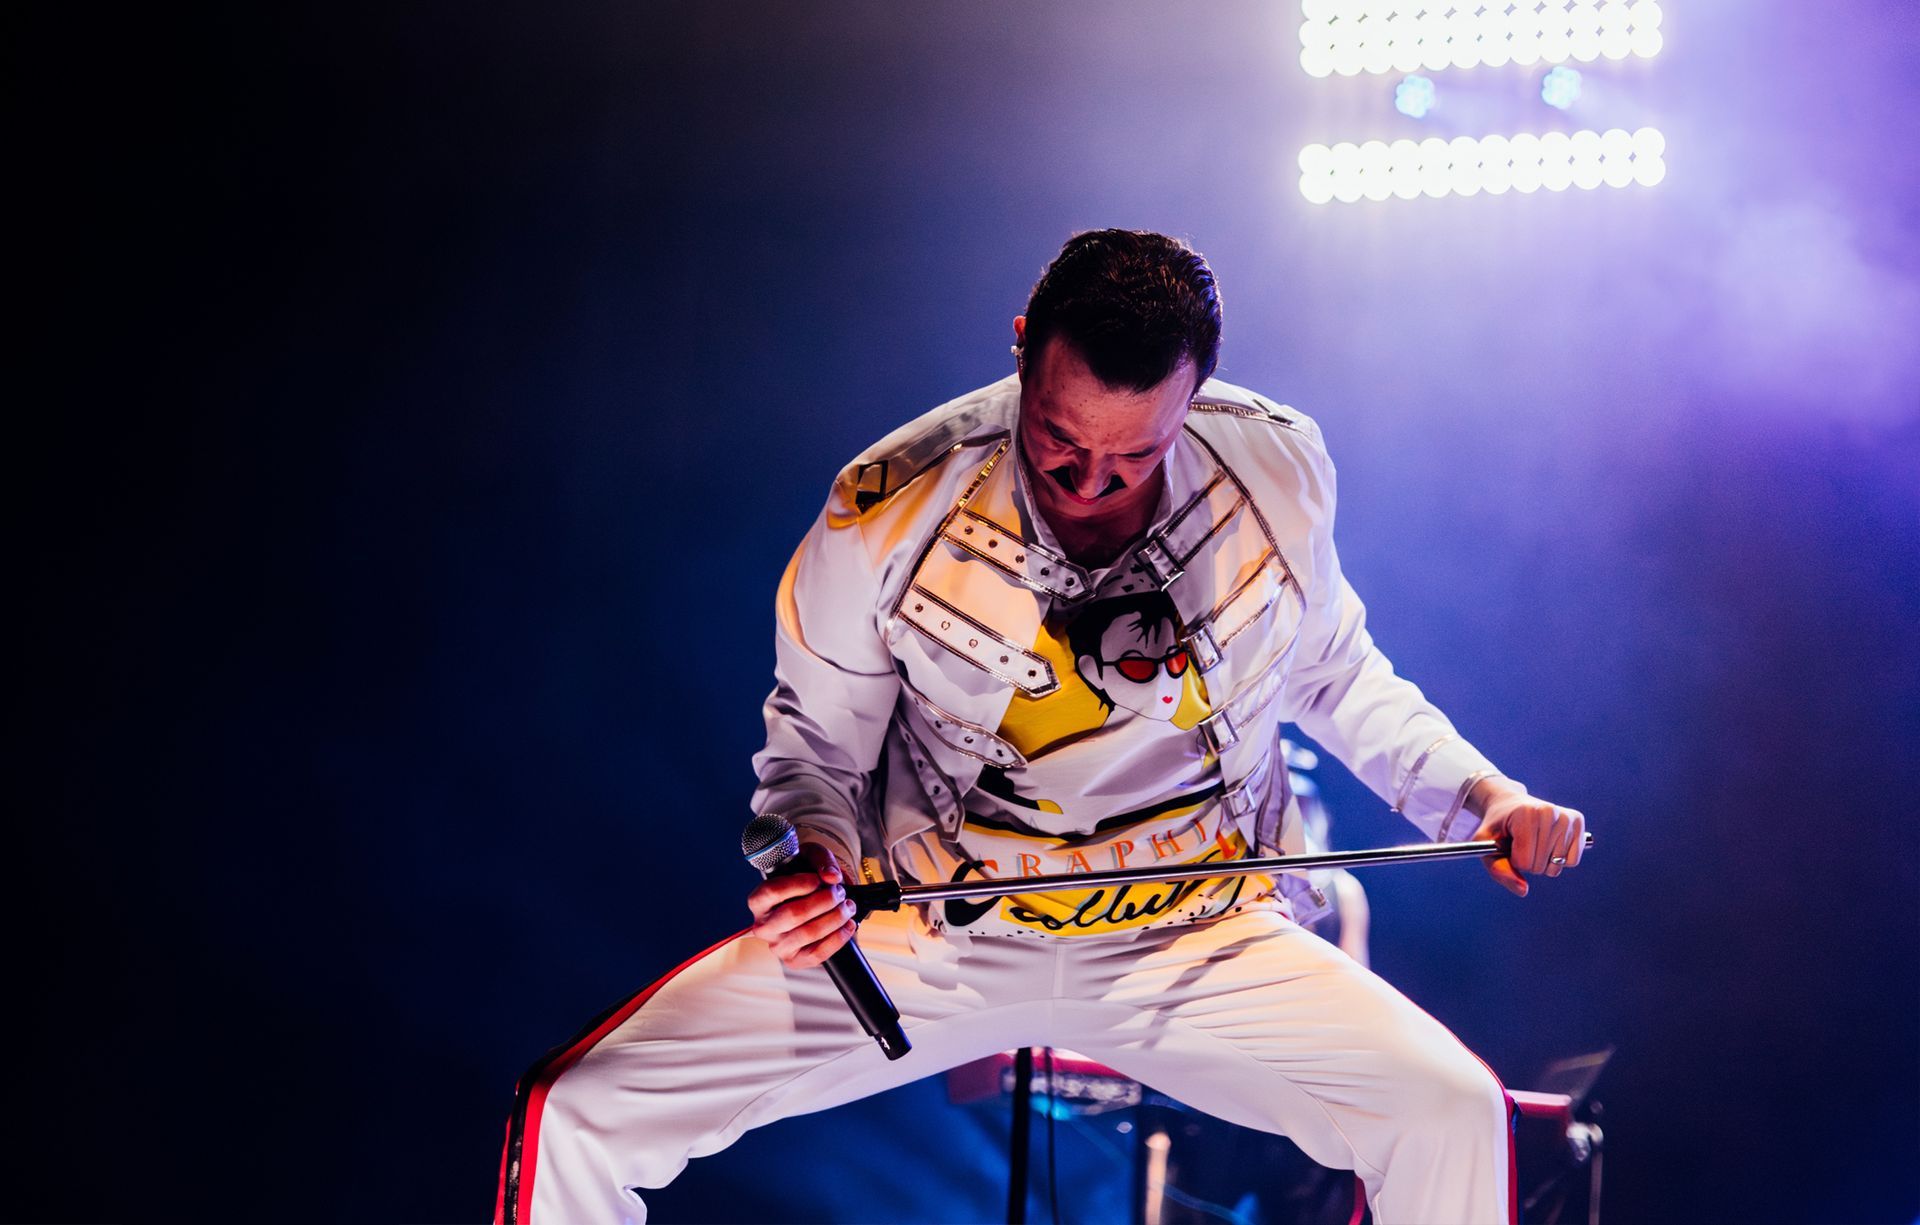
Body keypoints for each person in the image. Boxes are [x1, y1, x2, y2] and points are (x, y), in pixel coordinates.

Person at [495, 229, 1587, 1224]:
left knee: (1452, 1113)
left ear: (1196, 395)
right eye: (1063, 443)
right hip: (933, 938)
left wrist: (1484, 796)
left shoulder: (1277, 472)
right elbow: (814, 748)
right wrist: (815, 858)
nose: (1091, 484)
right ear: (1023, 352)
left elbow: (1339, 676)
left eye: (1135, 458)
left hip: (1196, 937)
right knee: (578, 1114)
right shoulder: (887, 506)